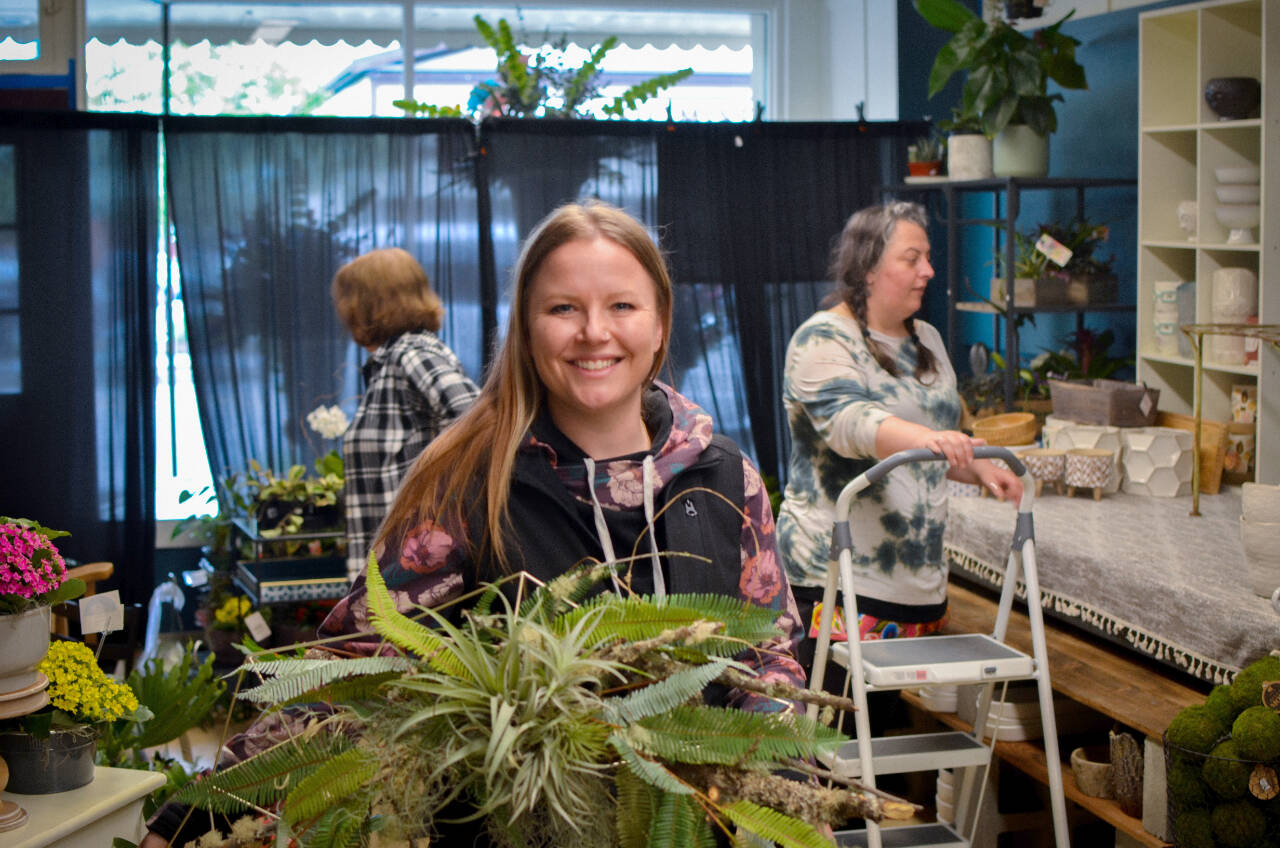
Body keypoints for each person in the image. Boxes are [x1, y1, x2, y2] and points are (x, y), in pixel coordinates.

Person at [142, 201, 804, 846]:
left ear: (659, 324)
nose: (594, 332)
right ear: (525, 326)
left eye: (622, 305)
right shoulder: (469, 489)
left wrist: (785, 784)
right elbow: (354, 674)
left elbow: (767, 657)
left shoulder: (723, 479)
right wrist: (190, 815)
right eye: (563, 308)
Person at [775, 201, 1022, 671]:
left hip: (918, 587)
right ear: (867, 267)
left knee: (886, 735)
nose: (928, 270)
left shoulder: (926, 339)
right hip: (837, 584)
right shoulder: (822, 339)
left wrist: (983, 468)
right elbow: (852, 425)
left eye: (927, 258)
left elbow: (936, 449)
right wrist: (933, 436)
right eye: (912, 259)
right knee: (829, 738)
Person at [330, 247, 479, 581]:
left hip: (413, 570)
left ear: (366, 304)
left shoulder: (411, 353)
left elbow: (475, 417)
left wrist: (436, 495)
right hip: (395, 573)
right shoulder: (390, 362)